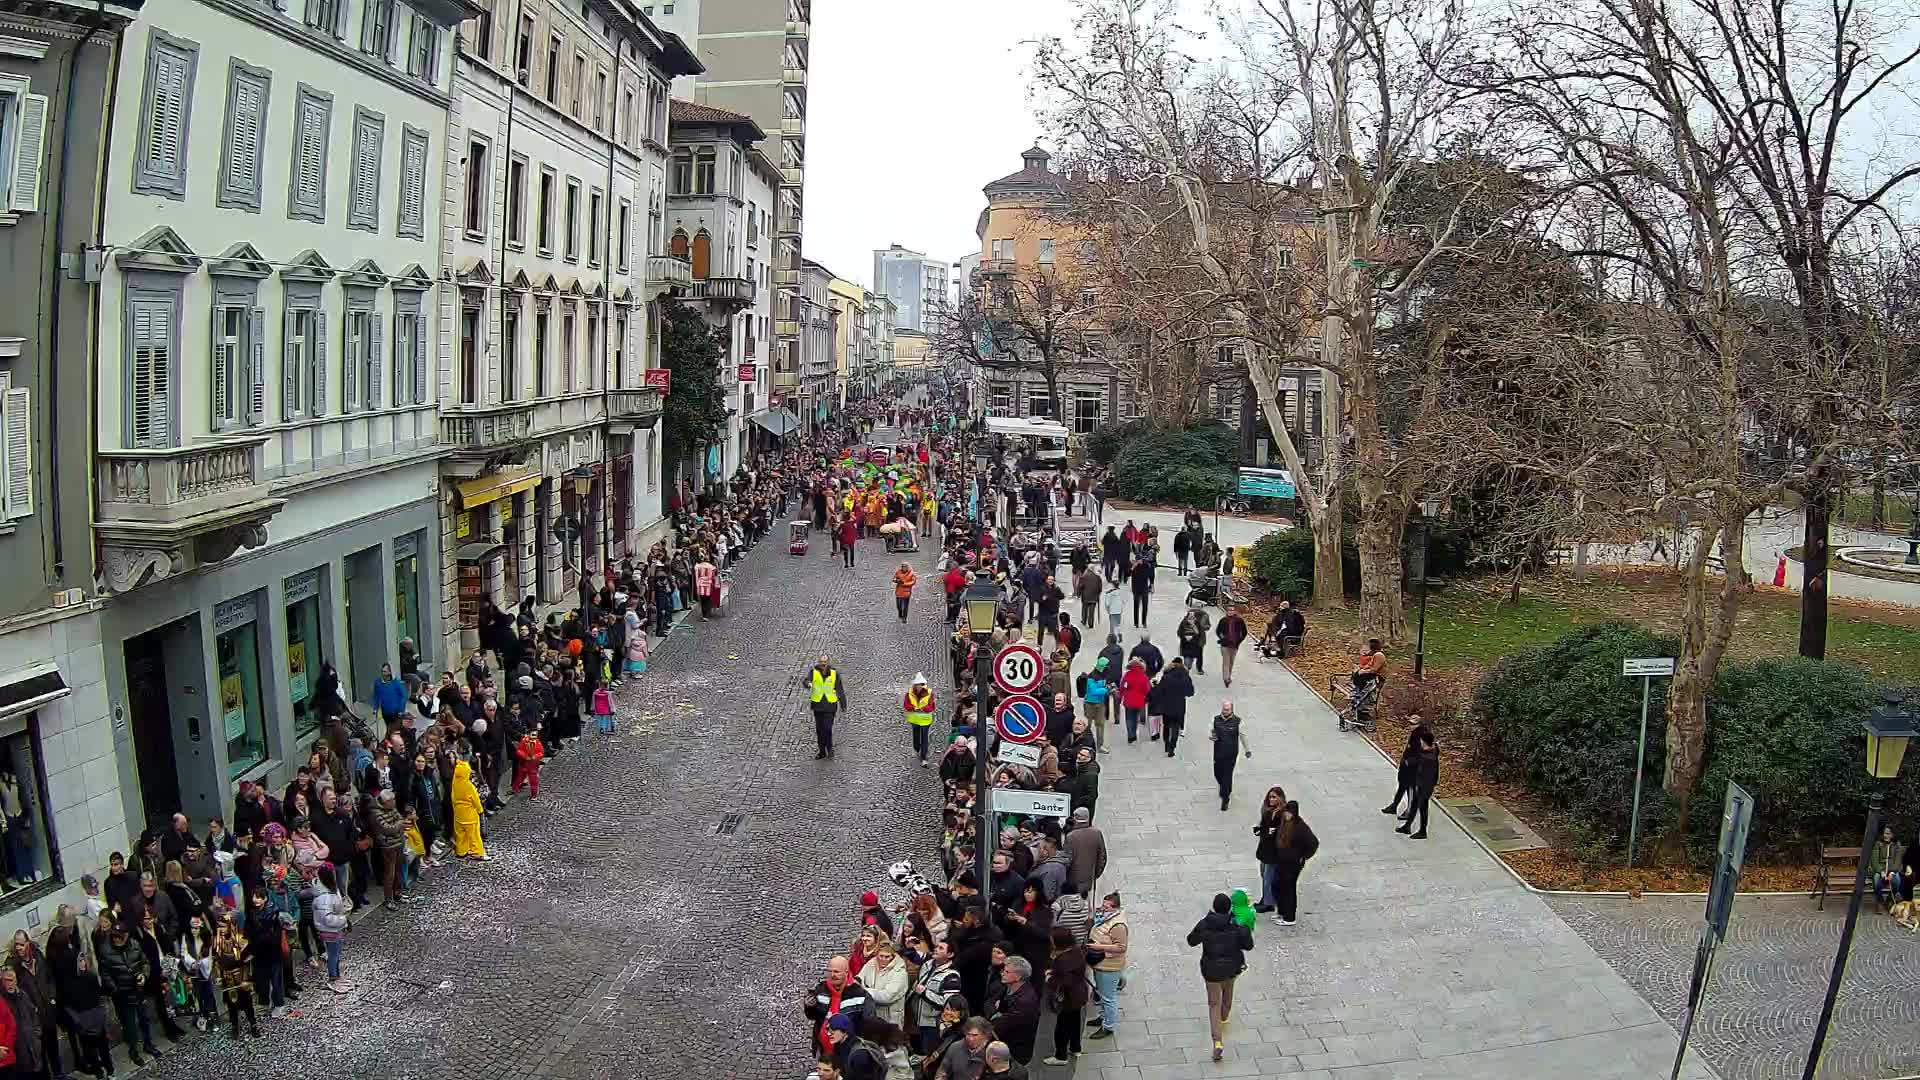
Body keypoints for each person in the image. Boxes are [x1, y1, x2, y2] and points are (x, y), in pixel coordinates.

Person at [1186, 892, 1254, 1062]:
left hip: (1211, 971)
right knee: (1228, 992)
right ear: (1229, 908)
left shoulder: (1205, 924)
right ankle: (1224, 1017)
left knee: (1213, 1004)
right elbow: (1249, 946)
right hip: (1232, 968)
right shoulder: (1237, 925)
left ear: (1214, 907)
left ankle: (1217, 1041)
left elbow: (1191, 940)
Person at [1040, 925, 1088, 1067]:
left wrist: (1049, 978)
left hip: (1067, 997)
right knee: (1075, 1022)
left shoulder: (1063, 960)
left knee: (1062, 1027)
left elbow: (1063, 981)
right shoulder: (1077, 951)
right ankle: (1075, 1048)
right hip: (1079, 994)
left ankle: (1060, 1056)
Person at [804, 956, 869, 1056]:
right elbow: (814, 1016)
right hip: (823, 1048)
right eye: (830, 971)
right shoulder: (821, 989)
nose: (832, 975)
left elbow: (867, 1022)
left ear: (846, 973)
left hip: (847, 1050)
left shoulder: (859, 994)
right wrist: (810, 1006)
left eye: (836, 972)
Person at [1085, 891, 1127, 1040]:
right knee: (1102, 993)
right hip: (1101, 963)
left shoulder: (1118, 925)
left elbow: (1121, 947)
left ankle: (1108, 1026)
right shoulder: (1107, 917)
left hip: (1109, 966)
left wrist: (1099, 947)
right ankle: (1102, 1017)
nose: (1103, 909)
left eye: (1106, 907)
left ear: (1115, 908)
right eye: (1103, 905)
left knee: (1108, 997)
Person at [986, 955, 1040, 1065]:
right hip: (1003, 1043)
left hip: (1014, 1051)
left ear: (1018, 977)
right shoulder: (1008, 987)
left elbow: (1000, 1026)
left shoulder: (1025, 1001)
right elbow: (988, 1003)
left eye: (1006, 972)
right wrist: (996, 1013)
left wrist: (996, 1013)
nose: (1002, 973)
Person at [1209, 701, 1253, 810]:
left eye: (1227, 709)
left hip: (1231, 753)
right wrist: (1212, 736)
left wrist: (1247, 750)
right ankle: (1224, 787)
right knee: (1217, 773)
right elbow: (1211, 731)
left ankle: (1225, 798)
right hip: (1218, 752)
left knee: (1227, 774)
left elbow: (1243, 736)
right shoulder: (1215, 720)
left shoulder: (1238, 722)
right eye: (1224, 709)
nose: (1225, 711)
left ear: (1232, 710)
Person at [1151, 656, 1195, 756]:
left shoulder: (1166, 677)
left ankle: (1166, 744)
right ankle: (1172, 747)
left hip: (1166, 705)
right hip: (1179, 705)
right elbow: (1190, 692)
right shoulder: (1186, 677)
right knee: (1176, 726)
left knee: (1166, 725)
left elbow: (1160, 691)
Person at [810, 656, 851, 760]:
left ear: (828, 663)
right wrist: (808, 684)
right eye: (821, 662)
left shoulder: (834, 674)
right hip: (818, 705)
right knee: (819, 730)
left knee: (827, 729)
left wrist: (843, 704)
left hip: (830, 706)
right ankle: (822, 751)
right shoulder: (814, 672)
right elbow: (806, 681)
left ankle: (830, 749)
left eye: (825, 662)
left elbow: (839, 689)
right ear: (819, 663)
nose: (823, 664)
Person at [449, 759, 489, 860]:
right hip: (470, 815)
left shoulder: (455, 783)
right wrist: (480, 811)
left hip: (458, 814)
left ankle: (461, 851)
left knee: (461, 834)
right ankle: (478, 852)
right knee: (474, 835)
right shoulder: (468, 785)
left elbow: (453, 797)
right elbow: (476, 800)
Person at [903, 674, 937, 766]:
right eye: (918, 685)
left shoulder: (930, 693)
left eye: (921, 685)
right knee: (916, 736)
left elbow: (932, 706)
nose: (919, 687)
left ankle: (924, 758)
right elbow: (906, 705)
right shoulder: (909, 694)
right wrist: (914, 708)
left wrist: (923, 709)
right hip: (914, 719)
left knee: (924, 738)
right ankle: (916, 748)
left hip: (925, 720)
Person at [1118, 659, 1151, 744]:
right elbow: (1147, 689)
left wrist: (1121, 696)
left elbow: (1122, 687)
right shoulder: (1143, 676)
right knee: (1135, 718)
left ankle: (1130, 735)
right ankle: (1134, 734)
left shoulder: (1127, 675)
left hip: (1128, 700)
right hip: (1139, 701)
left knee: (1129, 718)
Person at [1215, 608, 1248, 687]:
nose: (1230, 612)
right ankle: (1226, 678)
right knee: (1226, 661)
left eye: (1232, 610)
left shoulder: (1239, 621)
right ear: (1227, 612)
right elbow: (1218, 631)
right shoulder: (1223, 620)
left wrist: (1239, 640)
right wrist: (1222, 638)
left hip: (1235, 644)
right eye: (1229, 610)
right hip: (1225, 644)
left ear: (1235, 611)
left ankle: (1228, 676)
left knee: (1231, 662)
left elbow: (1244, 632)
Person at [370, 662, 407, 729]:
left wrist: (401, 710)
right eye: (382, 671)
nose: (383, 673)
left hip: (396, 712)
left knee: (396, 730)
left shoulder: (396, 683)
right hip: (385, 712)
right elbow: (376, 695)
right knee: (389, 729)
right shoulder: (378, 682)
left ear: (389, 672)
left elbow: (403, 696)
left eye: (385, 671)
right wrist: (375, 708)